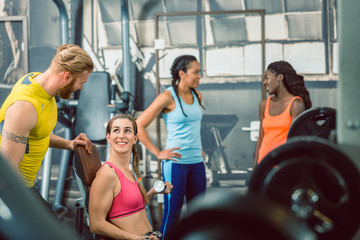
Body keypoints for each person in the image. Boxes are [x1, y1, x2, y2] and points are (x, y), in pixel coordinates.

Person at [0, 44, 94, 204]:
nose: (80, 88)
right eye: (81, 82)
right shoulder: (25, 106)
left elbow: (35, 135)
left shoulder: (35, 81)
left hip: (24, 186)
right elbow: (7, 173)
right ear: (67, 77)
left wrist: (69, 144)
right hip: (12, 190)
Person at [136, 55, 207, 239]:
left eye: (200, 72)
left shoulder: (197, 95)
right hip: (175, 164)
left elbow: (193, 127)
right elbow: (138, 125)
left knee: (198, 214)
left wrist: (199, 147)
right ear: (182, 73)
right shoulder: (167, 97)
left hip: (197, 163)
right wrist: (158, 152)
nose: (200, 76)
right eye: (196, 72)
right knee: (173, 213)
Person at [89, 114, 173, 240]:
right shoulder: (107, 174)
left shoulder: (128, 171)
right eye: (116, 130)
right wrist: (138, 239)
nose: (121, 135)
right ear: (108, 137)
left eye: (127, 130)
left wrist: (153, 192)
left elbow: (132, 208)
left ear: (135, 138)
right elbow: (96, 224)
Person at [254, 61, 312, 168]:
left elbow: (294, 141)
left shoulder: (296, 104)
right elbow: (261, 138)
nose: (264, 83)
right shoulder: (264, 104)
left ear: (280, 77)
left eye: (267, 77)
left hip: (283, 165)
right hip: (263, 165)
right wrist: (255, 168)